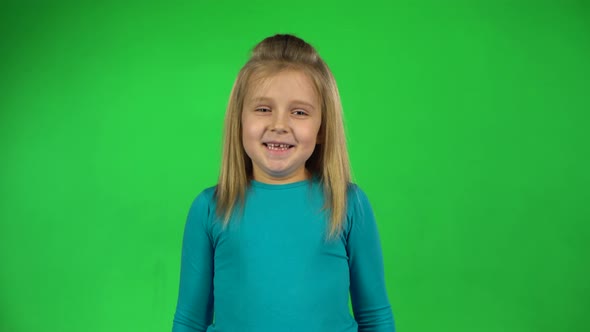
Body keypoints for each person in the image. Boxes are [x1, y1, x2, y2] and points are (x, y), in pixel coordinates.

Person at [172, 34, 395, 332]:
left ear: (321, 128)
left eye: (299, 112)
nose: (279, 125)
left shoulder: (348, 204)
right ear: (239, 119)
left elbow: (375, 317)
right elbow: (190, 321)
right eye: (263, 109)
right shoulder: (211, 208)